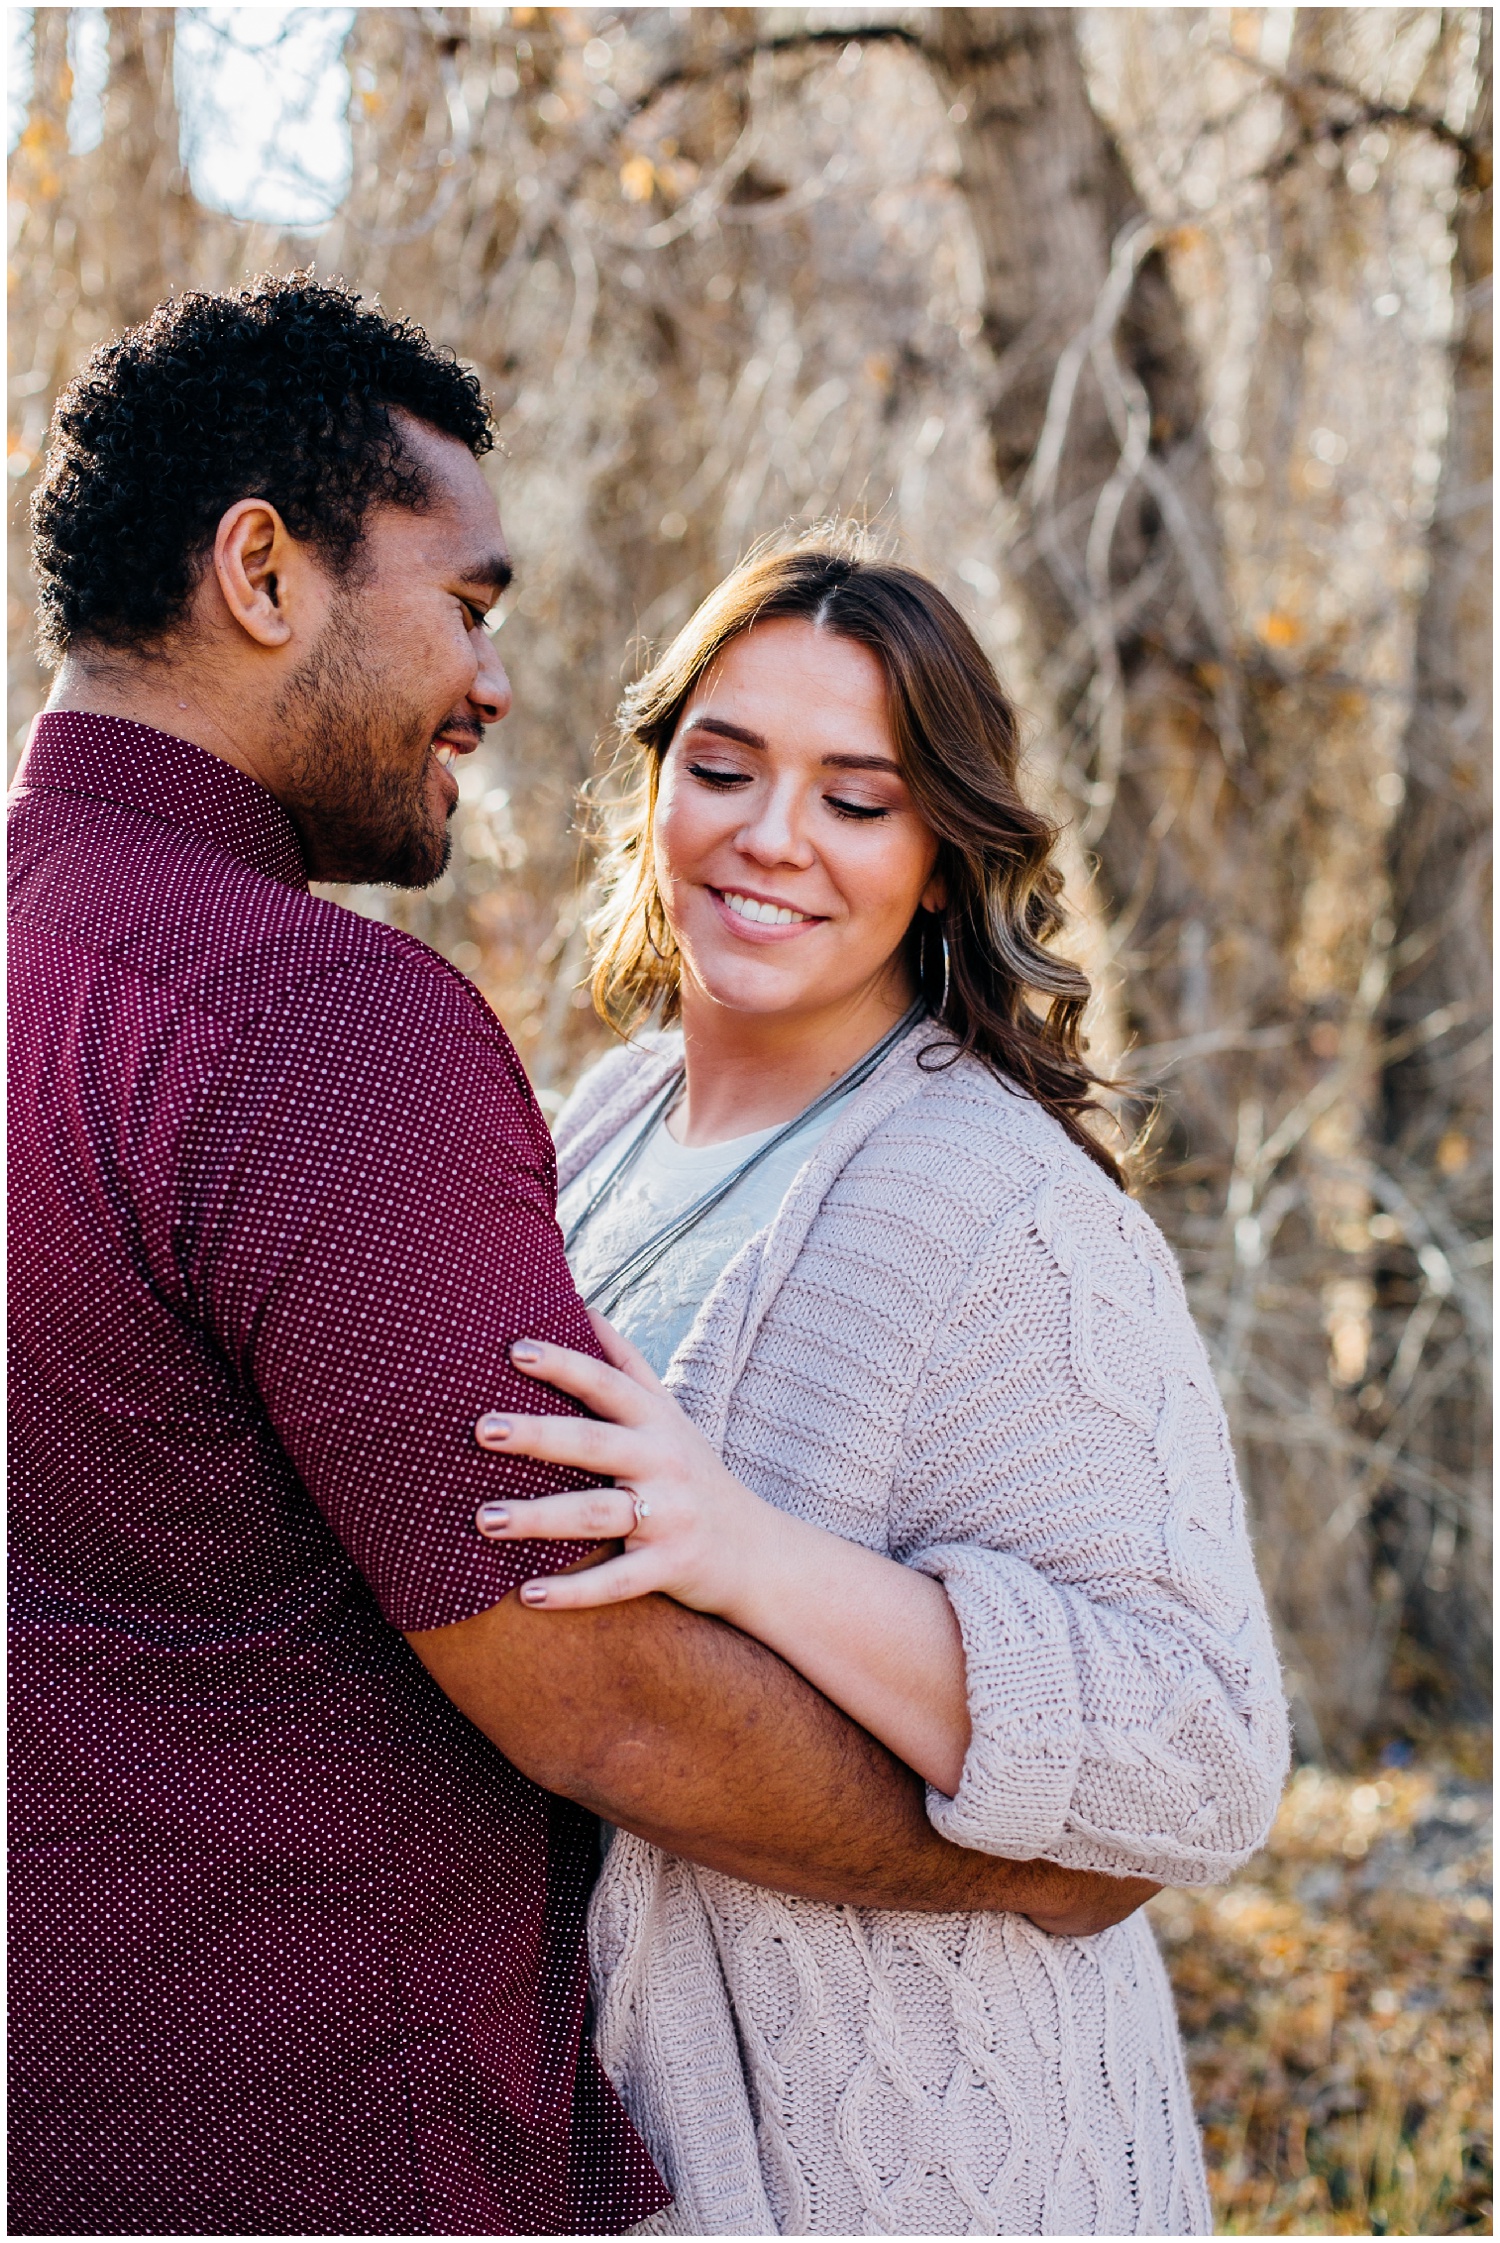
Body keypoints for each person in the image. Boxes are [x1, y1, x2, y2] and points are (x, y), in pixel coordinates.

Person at [9, 280, 1150, 2238]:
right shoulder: (310, 1022)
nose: (496, 679)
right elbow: (596, 1694)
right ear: (265, 572)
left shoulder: (40, 952)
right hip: (344, 2149)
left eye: (862, 798)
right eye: (469, 601)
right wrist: (1041, 1854)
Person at [470, 537, 1292, 2235]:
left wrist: (746, 1547)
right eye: (726, 768)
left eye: (859, 797)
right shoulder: (605, 1121)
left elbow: (1205, 1747)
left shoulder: (1010, 1212)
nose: (772, 838)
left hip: (932, 2154)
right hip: (627, 2124)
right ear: (657, 794)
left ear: (940, 862)